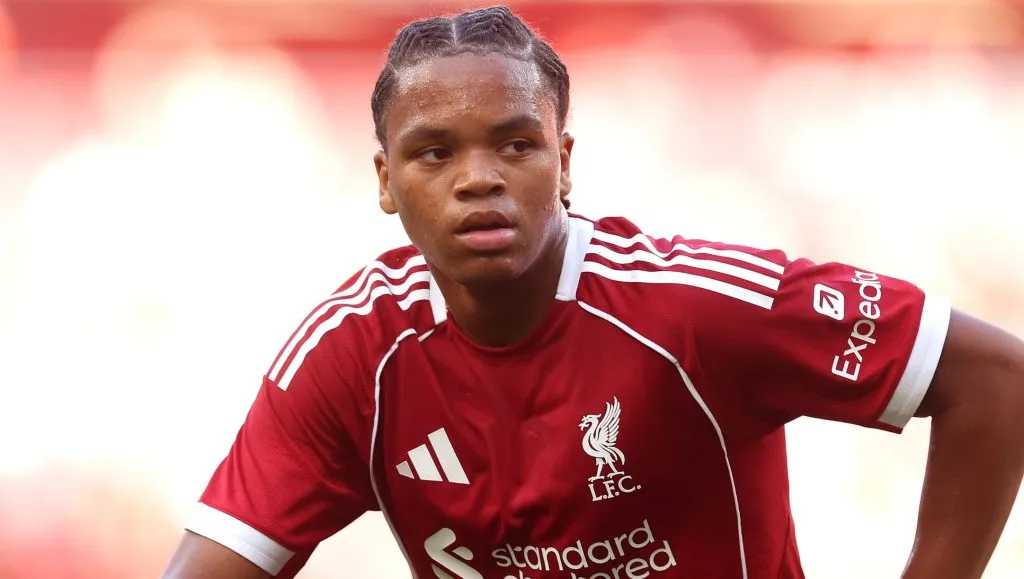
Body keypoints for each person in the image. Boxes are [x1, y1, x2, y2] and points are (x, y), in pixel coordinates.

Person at [162, 5, 1024, 579]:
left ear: (565, 162)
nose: (478, 180)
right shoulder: (354, 355)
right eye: (435, 154)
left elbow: (997, 376)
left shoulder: (693, 308)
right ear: (385, 181)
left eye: (515, 145)